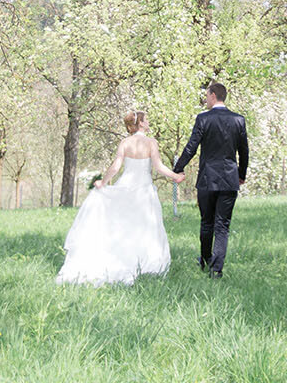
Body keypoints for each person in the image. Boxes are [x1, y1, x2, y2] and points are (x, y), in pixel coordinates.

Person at [55, 110, 186, 286]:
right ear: (140, 123)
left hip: (125, 187)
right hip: (144, 190)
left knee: (124, 226)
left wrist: (104, 182)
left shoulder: (125, 142)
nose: (148, 123)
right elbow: (158, 166)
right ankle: (144, 263)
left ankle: (122, 258)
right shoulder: (151, 143)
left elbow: (116, 167)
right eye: (146, 120)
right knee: (144, 227)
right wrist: (175, 176)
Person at [173, 82, 249, 278]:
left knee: (207, 222)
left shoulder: (203, 119)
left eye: (207, 95)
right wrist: (241, 174)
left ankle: (206, 260)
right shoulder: (238, 120)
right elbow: (244, 151)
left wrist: (178, 168)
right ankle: (216, 270)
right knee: (222, 225)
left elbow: (192, 146)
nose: (205, 99)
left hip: (207, 179)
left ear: (214, 95)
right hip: (230, 179)